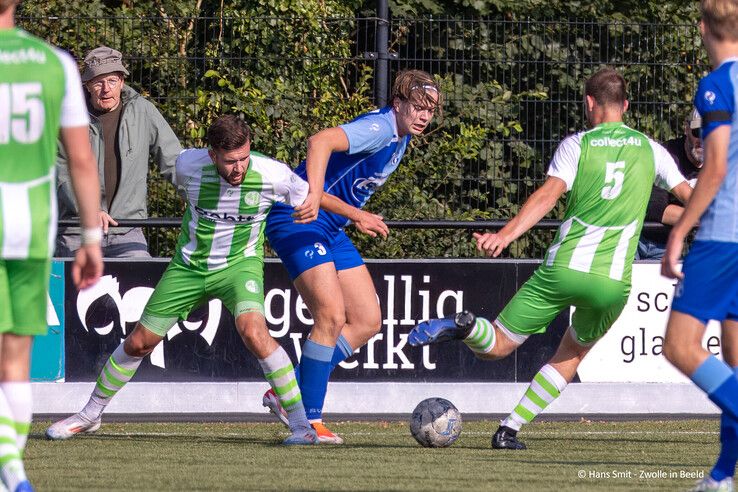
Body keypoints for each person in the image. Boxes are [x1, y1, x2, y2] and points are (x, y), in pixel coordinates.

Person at [407, 68, 691, 450]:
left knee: (498, 344)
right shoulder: (652, 150)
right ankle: (509, 430)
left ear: (589, 103)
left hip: (562, 270)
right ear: (625, 105)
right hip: (611, 285)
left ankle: (466, 325)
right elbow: (691, 197)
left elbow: (548, 195)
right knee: (572, 354)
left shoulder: (577, 145)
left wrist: (504, 235)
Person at [45, 115, 340, 445]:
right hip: (188, 268)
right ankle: (89, 415)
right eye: (230, 162)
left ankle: (301, 426)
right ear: (212, 155)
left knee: (255, 332)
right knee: (140, 342)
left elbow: (312, 196)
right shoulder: (188, 165)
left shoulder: (272, 174)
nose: (239, 168)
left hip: (239, 268)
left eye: (244, 158)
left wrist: (356, 215)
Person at [262, 70, 442, 444]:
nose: (424, 116)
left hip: (330, 227)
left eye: (430, 110)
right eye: (418, 107)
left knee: (366, 320)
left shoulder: (401, 138)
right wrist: (322, 199)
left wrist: (348, 214)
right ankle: (307, 421)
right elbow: (320, 141)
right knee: (330, 316)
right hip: (298, 220)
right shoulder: (379, 128)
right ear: (398, 104)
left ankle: (288, 391)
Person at [0, 1, 104, 490]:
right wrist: (90, 238)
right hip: (32, 225)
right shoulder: (54, 62)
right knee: (14, 357)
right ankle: (12, 469)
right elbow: (81, 160)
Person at [661, 1, 738, 490]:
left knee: (680, 346)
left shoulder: (716, 84)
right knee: (733, 363)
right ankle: (720, 477)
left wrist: (679, 229)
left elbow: (712, 170)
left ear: (703, 28)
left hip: (725, 237)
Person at [55, 45, 182, 258]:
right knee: (68, 285)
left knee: (140, 276)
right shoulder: (68, 117)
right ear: (87, 85)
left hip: (127, 229)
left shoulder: (143, 110)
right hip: (77, 229)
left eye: (112, 81)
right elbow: (61, 173)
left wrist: (203, 197)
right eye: (98, 82)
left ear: (122, 82)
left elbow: (173, 161)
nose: (106, 89)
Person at [636, 107, 703, 259]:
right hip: (636, 239)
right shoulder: (666, 155)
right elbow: (655, 209)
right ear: (687, 129)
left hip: (671, 245)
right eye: (698, 132)